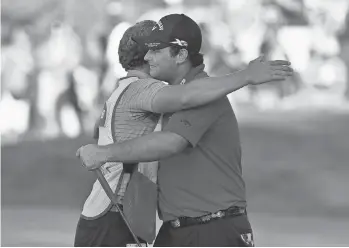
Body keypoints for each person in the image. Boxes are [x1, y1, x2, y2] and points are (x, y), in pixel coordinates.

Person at [76, 14, 292, 247]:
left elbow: (171, 142)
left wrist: (106, 153)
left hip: (213, 230)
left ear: (180, 54)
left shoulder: (202, 95)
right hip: (178, 230)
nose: (147, 57)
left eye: (156, 50)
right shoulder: (173, 97)